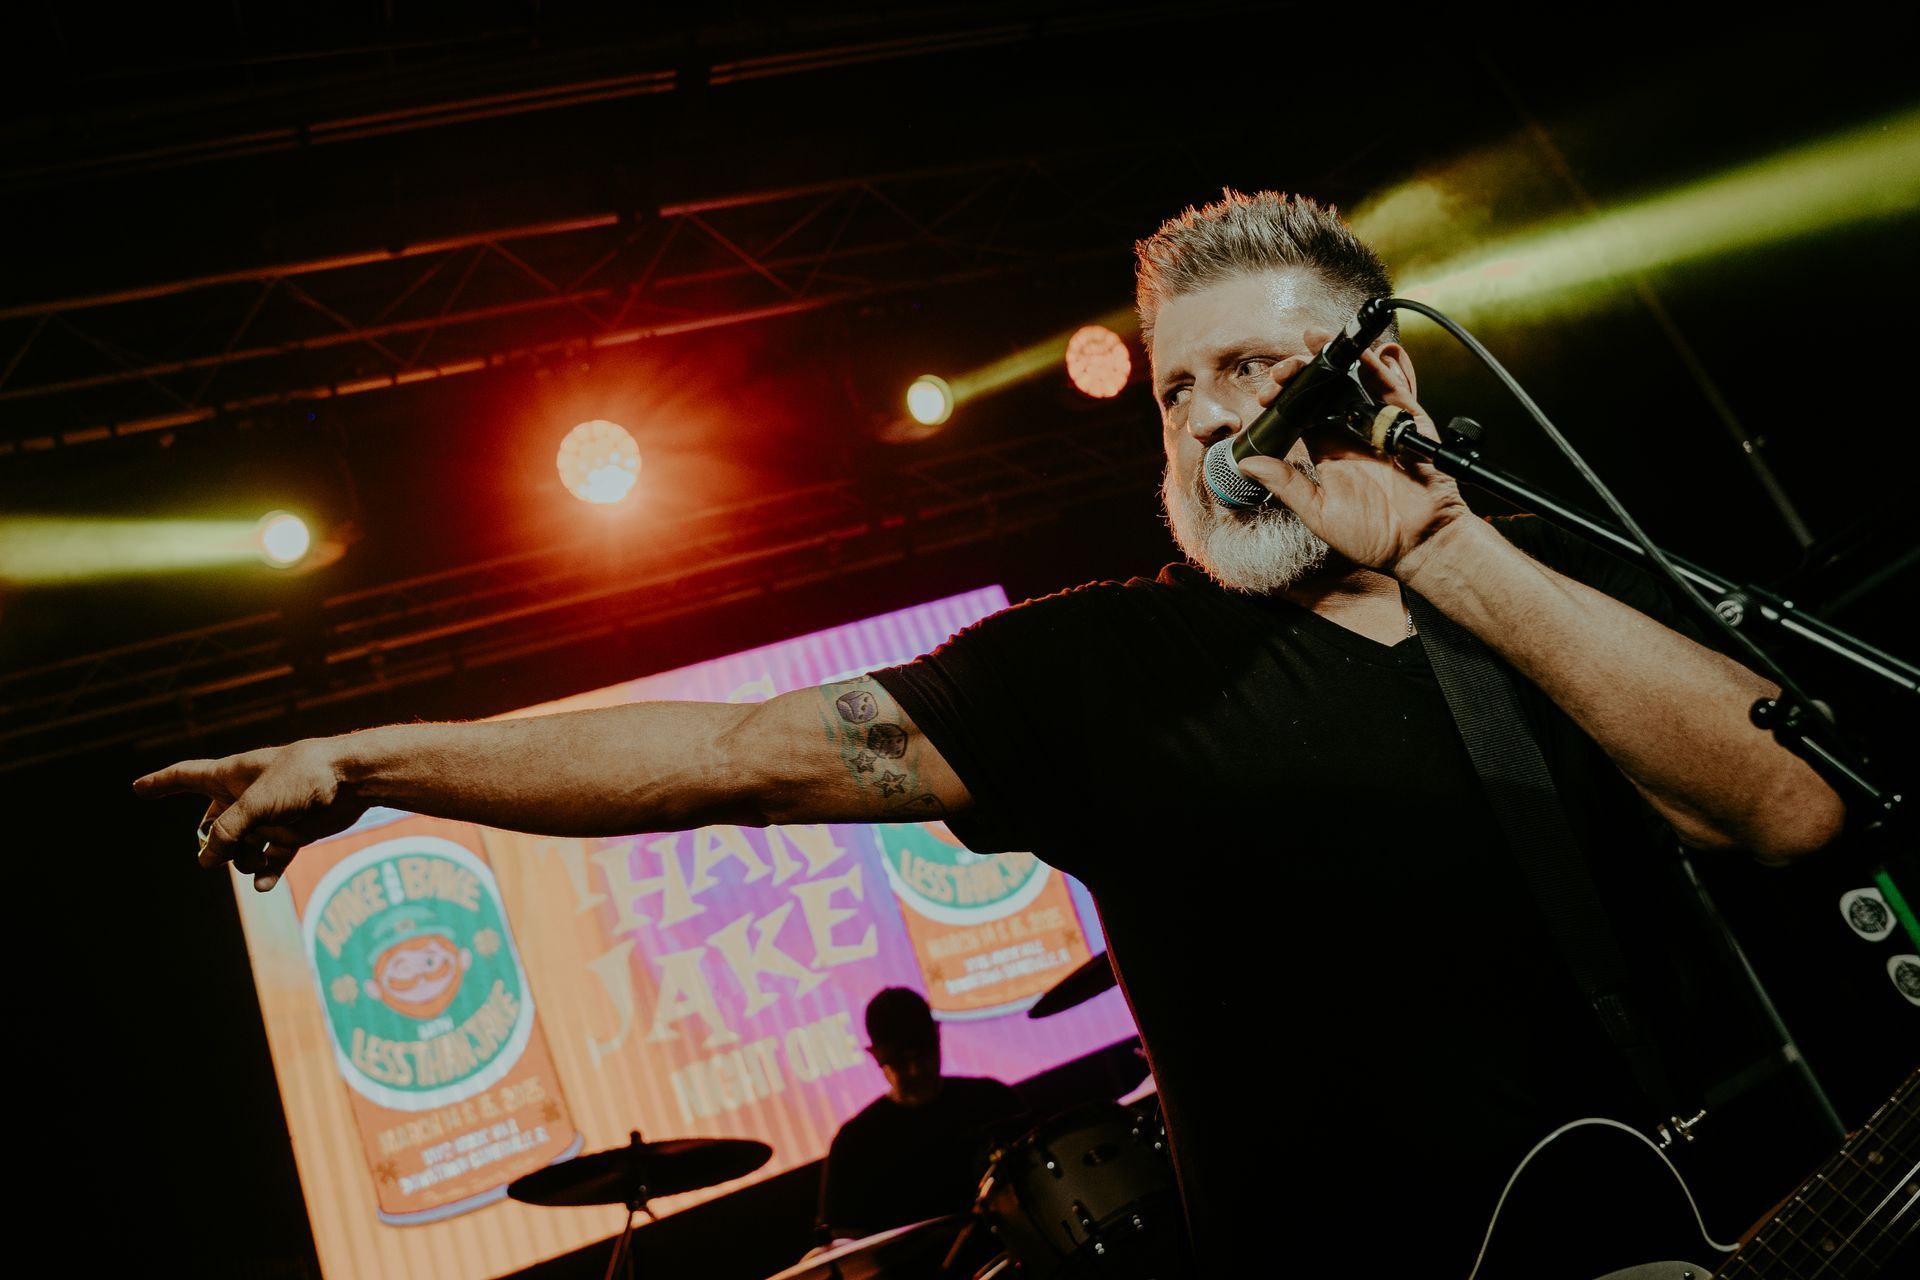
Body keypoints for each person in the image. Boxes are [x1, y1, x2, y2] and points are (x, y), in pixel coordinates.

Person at [137, 191, 1843, 1272]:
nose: (1209, 421)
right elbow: (728, 755)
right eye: (1176, 390)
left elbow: (1788, 806)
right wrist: (372, 762)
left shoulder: (1547, 601)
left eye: (1254, 371)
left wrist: (1442, 546)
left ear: (1383, 381)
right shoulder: (1098, 669)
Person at [814, 987, 1027, 1243]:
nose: (915, 1070)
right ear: (875, 1058)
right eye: (901, 1063)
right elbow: (846, 1243)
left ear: (938, 1036)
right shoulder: (854, 1143)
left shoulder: (992, 1101)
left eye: (923, 1056)